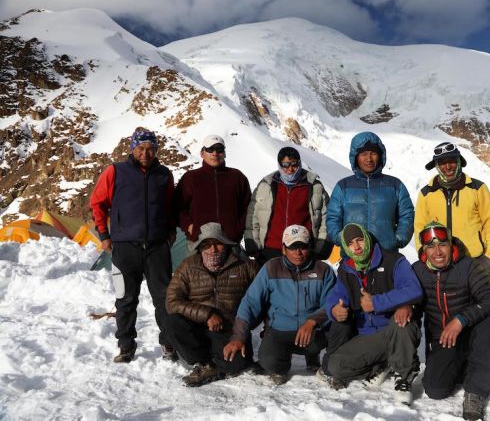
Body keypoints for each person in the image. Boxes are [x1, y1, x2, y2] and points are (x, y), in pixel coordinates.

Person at [90, 129, 176, 363]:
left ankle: (169, 342)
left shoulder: (164, 175)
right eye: (141, 148)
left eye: (150, 149)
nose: (145, 153)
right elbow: (97, 203)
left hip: (157, 246)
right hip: (125, 246)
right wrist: (104, 236)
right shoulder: (115, 171)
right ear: (132, 149)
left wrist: (170, 231)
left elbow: (171, 206)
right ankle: (126, 345)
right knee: (126, 299)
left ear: (156, 150)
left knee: (164, 297)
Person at [322, 223, 423, 404]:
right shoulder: (347, 269)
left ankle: (404, 375)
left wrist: (377, 302)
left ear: (367, 239)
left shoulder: (393, 261)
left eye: (360, 240)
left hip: (393, 329)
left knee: (402, 320)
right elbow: (336, 295)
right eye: (351, 243)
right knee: (335, 365)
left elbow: (413, 289)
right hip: (369, 337)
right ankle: (383, 365)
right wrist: (333, 309)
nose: (357, 247)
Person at [223, 225, 335, 385]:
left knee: (341, 326)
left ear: (309, 247)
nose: (298, 253)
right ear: (283, 249)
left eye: (302, 247)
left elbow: (332, 303)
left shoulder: (323, 270)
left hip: (313, 331)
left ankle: (318, 359)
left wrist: (313, 321)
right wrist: (239, 336)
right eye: (292, 247)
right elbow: (250, 302)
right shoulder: (271, 268)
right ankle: (281, 365)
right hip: (280, 331)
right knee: (269, 362)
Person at [413, 222, 490, 421]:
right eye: (431, 247)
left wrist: (461, 319)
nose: (438, 251)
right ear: (424, 250)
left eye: (442, 244)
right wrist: (405, 307)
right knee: (435, 389)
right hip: (443, 341)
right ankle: (470, 367)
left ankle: (475, 392)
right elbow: (410, 301)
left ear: (450, 244)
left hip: (471, 335)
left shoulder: (468, 266)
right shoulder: (417, 270)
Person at [164, 222, 258, 386]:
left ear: (226, 244)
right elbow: (172, 301)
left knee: (235, 365)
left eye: (218, 243)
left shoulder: (245, 266)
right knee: (172, 321)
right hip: (198, 327)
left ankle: (217, 363)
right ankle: (203, 362)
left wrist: (242, 330)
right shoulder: (187, 266)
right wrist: (206, 314)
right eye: (207, 245)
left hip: (229, 329)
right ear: (200, 247)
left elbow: (260, 300)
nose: (213, 250)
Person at [326, 131, 414, 251]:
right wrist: (341, 239)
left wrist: (398, 239)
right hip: (353, 257)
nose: (369, 158)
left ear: (380, 156)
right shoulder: (343, 187)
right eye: (364, 154)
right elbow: (332, 218)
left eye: (373, 153)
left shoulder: (395, 185)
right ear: (355, 157)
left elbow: (407, 215)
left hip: (386, 255)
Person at [244, 146, 332, 264]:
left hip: (301, 251)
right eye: (285, 165)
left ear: (300, 164)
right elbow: (253, 216)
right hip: (270, 250)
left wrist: (322, 246)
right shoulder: (266, 185)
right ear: (279, 165)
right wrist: (252, 243)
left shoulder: (314, 187)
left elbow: (327, 218)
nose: (290, 169)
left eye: (294, 164)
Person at [414, 142, 490, 262]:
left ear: (459, 161)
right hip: (440, 262)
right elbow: (419, 229)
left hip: (475, 261)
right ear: (436, 165)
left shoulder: (477, 188)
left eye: (452, 161)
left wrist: (489, 258)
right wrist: (425, 256)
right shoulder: (426, 193)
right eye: (442, 162)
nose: (448, 167)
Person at [173, 134, 251, 248]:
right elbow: (177, 207)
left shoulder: (237, 177)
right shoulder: (191, 178)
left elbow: (248, 208)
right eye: (210, 149)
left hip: (230, 242)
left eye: (219, 149)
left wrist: (238, 229)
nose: (215, 153)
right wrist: (190, 227)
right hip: (199, 243)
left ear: (224, 153)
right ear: (202, 153)